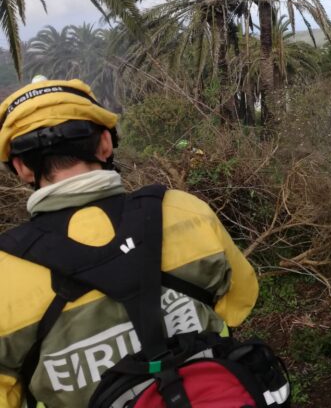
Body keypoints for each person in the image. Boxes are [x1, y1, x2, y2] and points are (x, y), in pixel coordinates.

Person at [0, 78, 259, 407]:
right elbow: (241, 300)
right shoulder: (184, 210)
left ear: (22, 168)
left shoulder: (6, 269)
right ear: (105, 143)